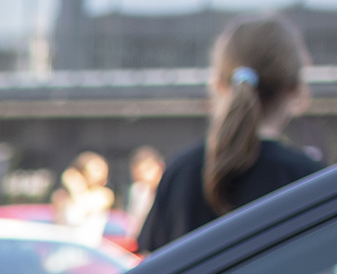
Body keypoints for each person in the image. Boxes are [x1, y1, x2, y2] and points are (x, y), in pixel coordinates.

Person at [137, 14, 322, 255]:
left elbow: (150, 267)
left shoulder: (180, 173)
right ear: (294, 88)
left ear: (219, 83)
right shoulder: (310, 180)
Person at [53, 151, 114, 245]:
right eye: (97, 169)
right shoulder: (62, 196)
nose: (101, 175)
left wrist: (75, 187)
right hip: (64, 246)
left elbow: (80, 213)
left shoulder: (104, 195)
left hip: (88, 248)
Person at [123, 145, 165, 245]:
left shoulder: (169, 191)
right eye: (138, 172)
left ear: (160, 167)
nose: (142, 175)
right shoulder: (139, 191)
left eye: (147, 169)